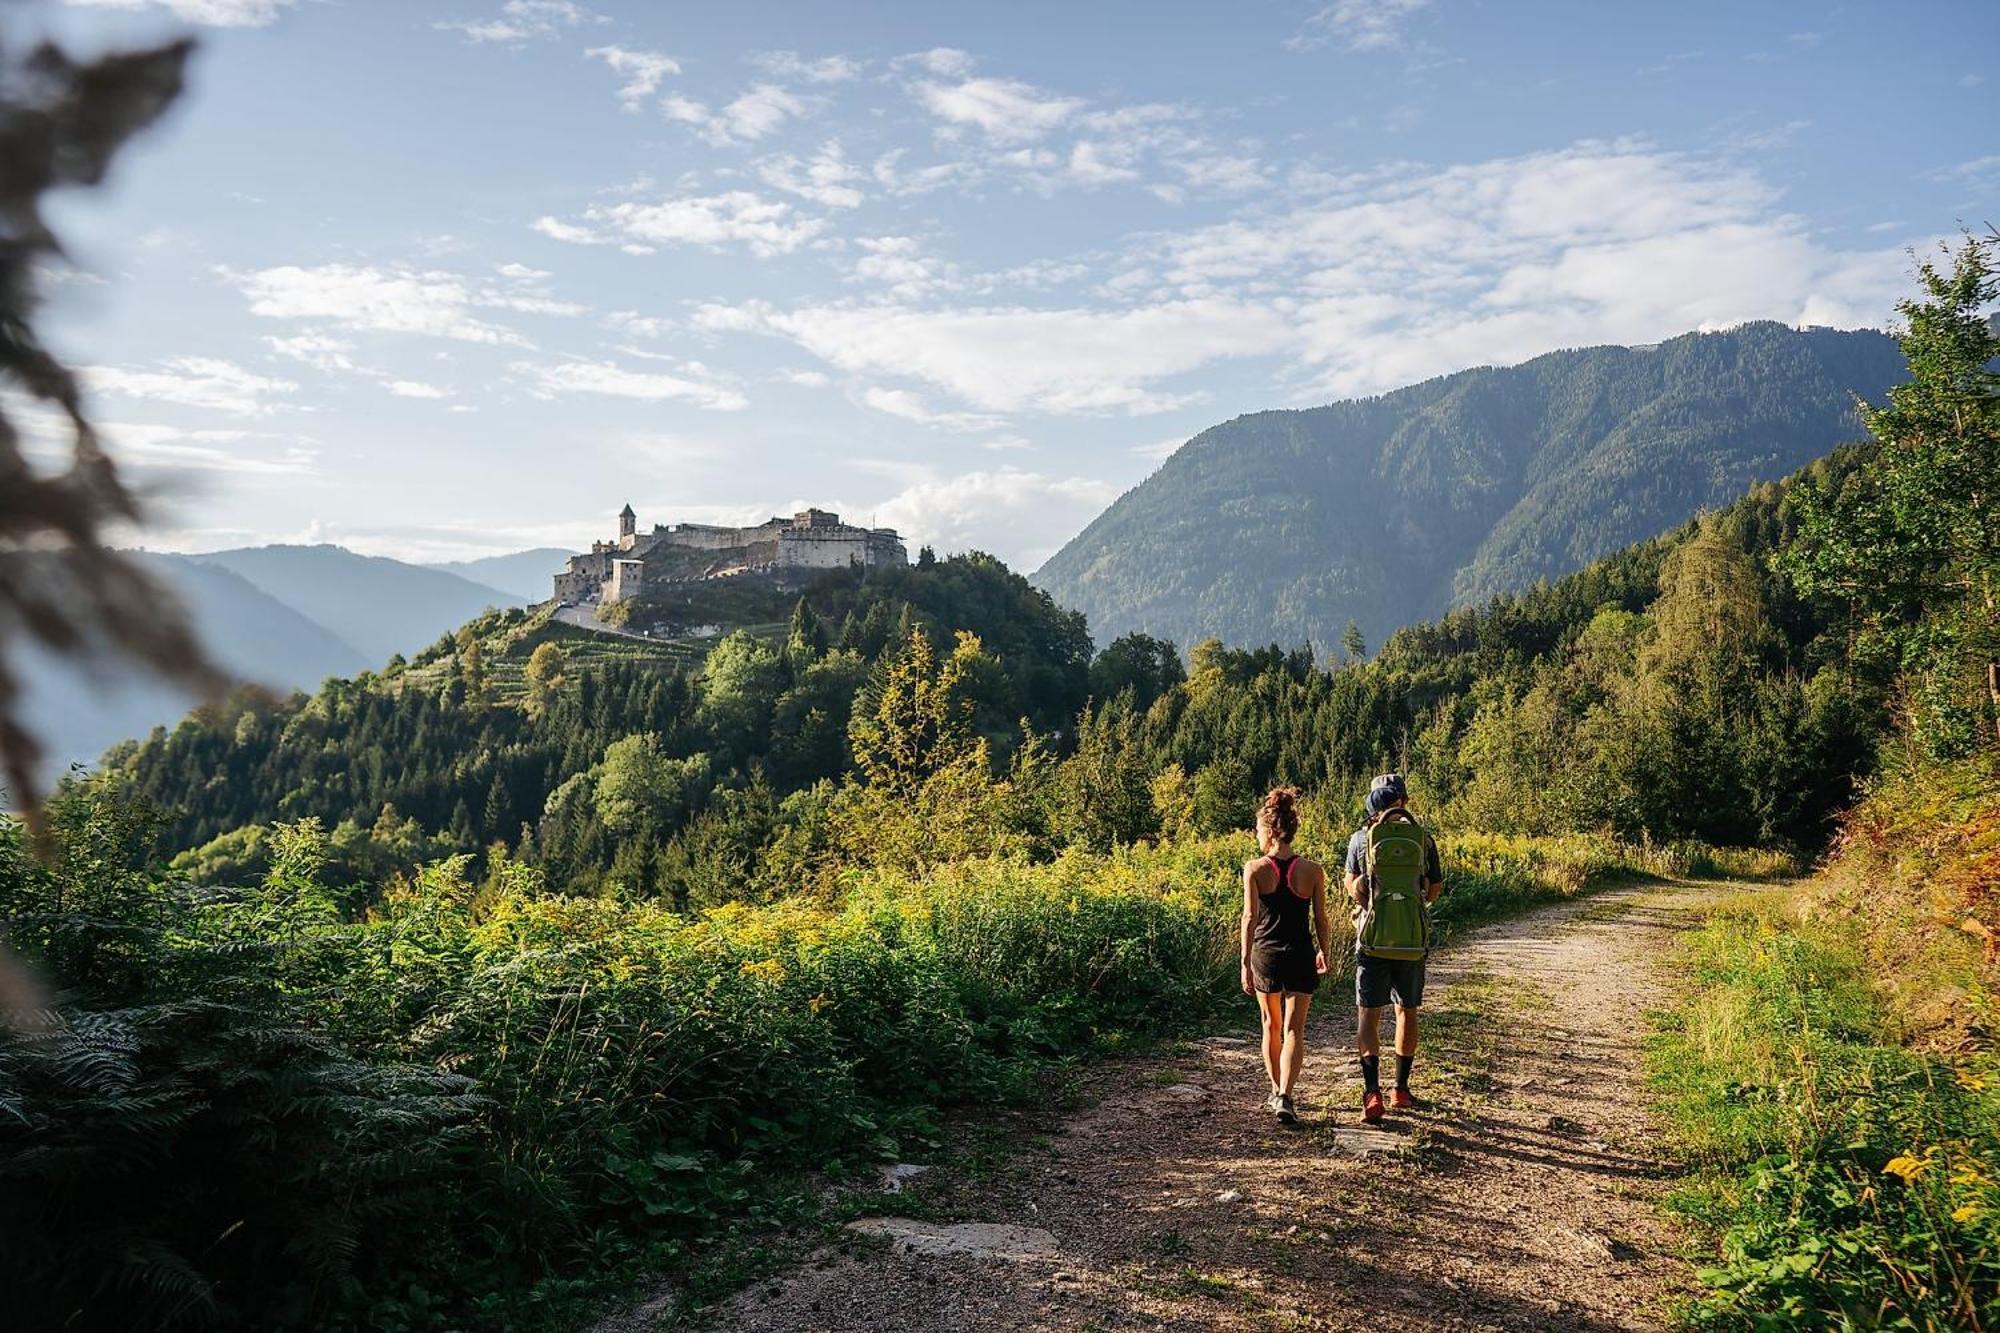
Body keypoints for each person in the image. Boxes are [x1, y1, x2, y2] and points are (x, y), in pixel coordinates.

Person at [1343, 773, 1443, 1123]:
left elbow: (1353, 888)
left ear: (1372, 803)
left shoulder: (1360, 839)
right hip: (1412, 940)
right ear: (1403, 801)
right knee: (1407, 1011)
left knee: (1368, 1015)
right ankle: (1400, 1089)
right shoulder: (1424, 840)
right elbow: (1432, 892)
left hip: (1372, 939)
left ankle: (1371, 1092)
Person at [1240, 786, 1333, 1124]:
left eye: (1258, 829)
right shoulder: (1313, 870)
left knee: (1270, 1026)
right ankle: (1287, 1095)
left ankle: (1277, 1090)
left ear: (1270, 831)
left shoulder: (1254, 869)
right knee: (1295, 1029)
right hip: (1300, 953)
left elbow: (1249, 917)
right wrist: (1325, 951)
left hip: (1265, 953)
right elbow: (1320, 918)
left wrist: (1244, 961)